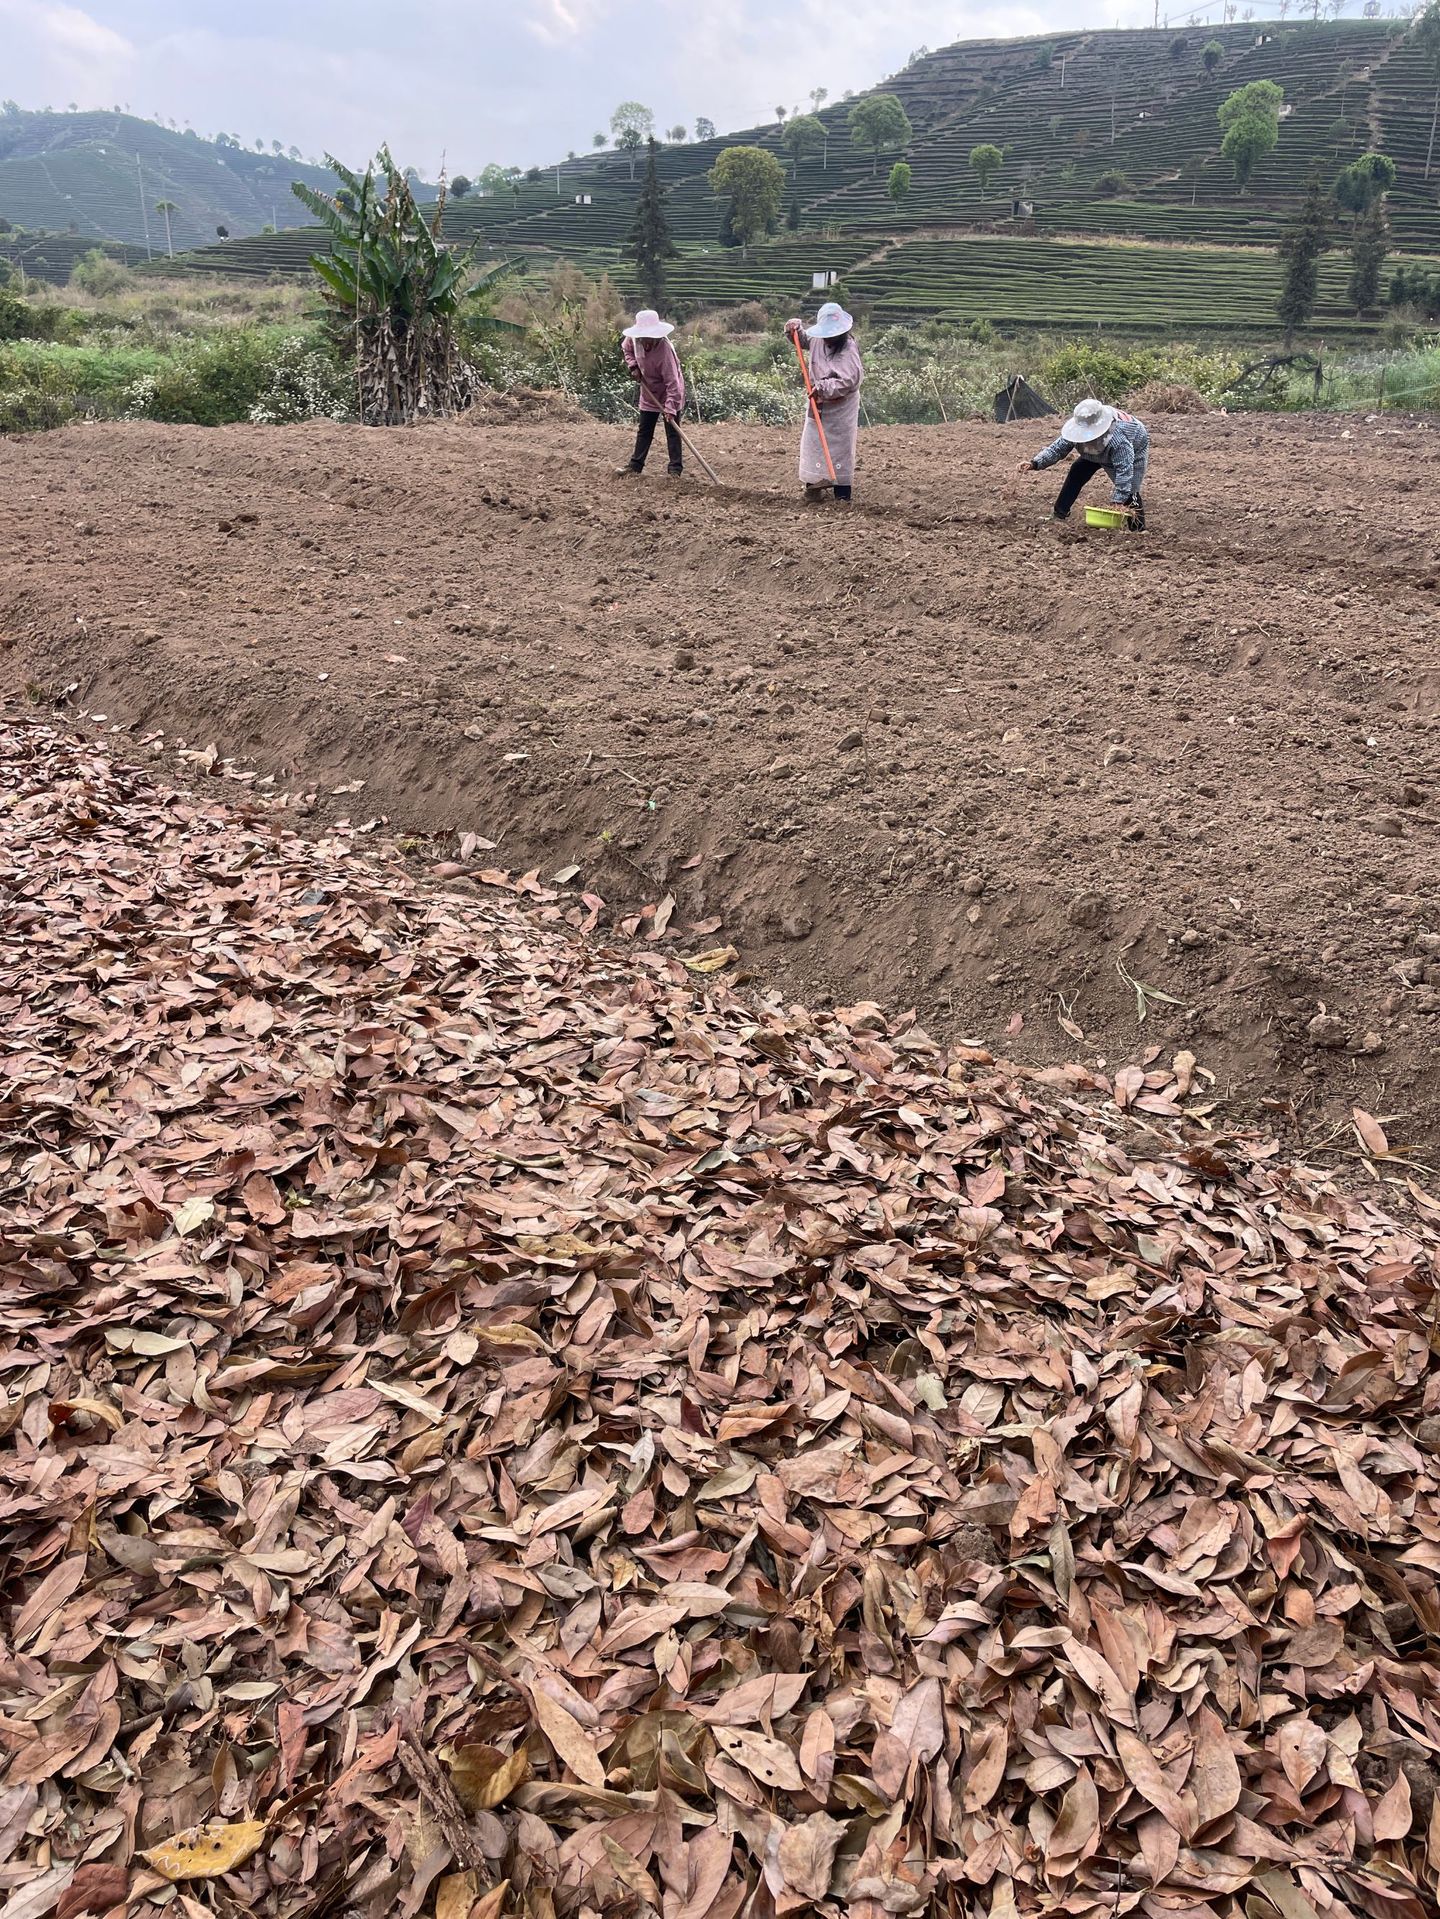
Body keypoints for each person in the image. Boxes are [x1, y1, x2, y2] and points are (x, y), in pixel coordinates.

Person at [1022, 398, 1149, 529]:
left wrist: (1117, 502)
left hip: (1134, 446)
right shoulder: (1076, 430)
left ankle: (1138, 529)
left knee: (1131, 490)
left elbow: (1125, 471)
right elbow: (1056, 449)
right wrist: (1035, 463)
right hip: (1094, 453)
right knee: (1077, 471)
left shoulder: (1119, 440)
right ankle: (1059, 513)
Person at [783, 302, 864, 503]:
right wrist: (794, 329)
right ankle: (813, 488)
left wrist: (824, 387)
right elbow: (802, 340)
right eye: (826, 334)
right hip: (818, 402)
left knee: (841, 448)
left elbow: (849, 380)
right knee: (813, 443)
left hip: (841, 406)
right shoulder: (818, 340)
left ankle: (842, 495)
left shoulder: (848, 348)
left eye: (833, 334)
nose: (829, 338)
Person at [619, 309, 685, 479]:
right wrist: (633, 366)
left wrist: (670, 408)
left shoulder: (664, 351)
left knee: (672, 431)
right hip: (649, 390)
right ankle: (635, 466)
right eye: (643, 337)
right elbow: (626, 350)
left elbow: (673, 384)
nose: (645, 341)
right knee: (644, 430)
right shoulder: (633, 340)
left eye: (649, 337)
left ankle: (675, 470)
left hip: (670, 392)